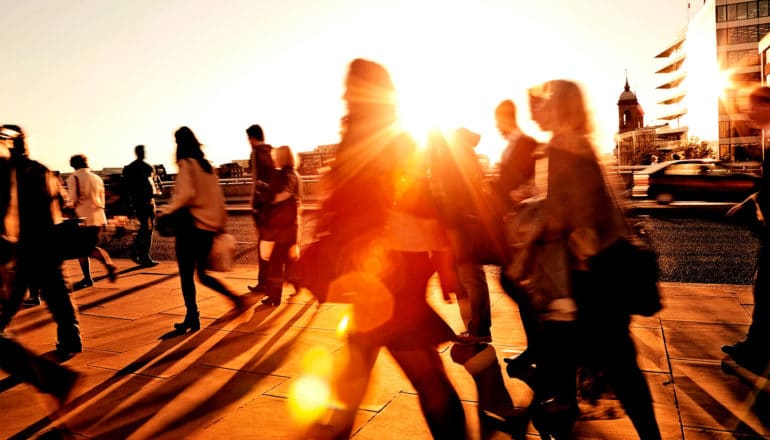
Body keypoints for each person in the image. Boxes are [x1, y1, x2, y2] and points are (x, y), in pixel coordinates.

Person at [303, 59, 466, 439]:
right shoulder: (385, 136)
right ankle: (337, 429)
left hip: (389, 269)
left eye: (352, 87)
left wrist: (443, 261)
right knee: (363, 353)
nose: (345, 94)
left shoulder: (384, 139)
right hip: (380, 267)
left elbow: (416, 200)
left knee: (422, 371)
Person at [523, 80, 662, 439]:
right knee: (609, 361)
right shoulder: (580, 144)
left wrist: (532, 245)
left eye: (546, 104)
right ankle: (560, 405)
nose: (539, 110)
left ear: (560, 107)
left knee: (613, 363)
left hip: (593, 272)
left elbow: (565, 214)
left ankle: (557, 407)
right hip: (603, 266)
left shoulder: (563, 147)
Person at [0, 124, 82, 359]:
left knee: (12, 296)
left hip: (19, 244)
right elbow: (62, 206)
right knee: (58, 294)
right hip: (47, 242)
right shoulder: (42, 170)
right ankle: (71, 338)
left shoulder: (6, 171)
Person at [157, 126, 246, 332]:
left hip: (191, 227)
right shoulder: (207, 167)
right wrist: (220, 223)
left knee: (187, 276)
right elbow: (218, 199)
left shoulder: (186, 164)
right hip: (208, 228)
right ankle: (235, 299)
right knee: (203, 274)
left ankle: (193, 317)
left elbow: (185, 195)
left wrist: (166, 210)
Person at [492, 99, 541, 379]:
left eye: (498, 121)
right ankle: (536, 348)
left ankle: (540, 348)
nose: (496, 127)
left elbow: (521, 183)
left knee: (515, 283)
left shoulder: (525, 143)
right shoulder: (515, 144)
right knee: (517, 285)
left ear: (505, 118)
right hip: (515, 227)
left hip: (525, 228)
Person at [723, 85, 770, 376]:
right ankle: (754, 348)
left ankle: (755, 352)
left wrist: (752, 202)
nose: (747, 112)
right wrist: (748, 201)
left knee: (764, 289)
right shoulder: (766, 135)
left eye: (753, 106)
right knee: (763, 289)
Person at [66, 154, 118, 290]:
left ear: (73, 165)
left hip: (82, 219)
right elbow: (102, 199)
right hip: (99, 217)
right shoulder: (97, 178)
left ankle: (107, 264)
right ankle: (88, 278)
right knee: (84, 248)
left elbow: (72, 200)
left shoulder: (74, 178)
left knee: (84, 248)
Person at [259, 145, 301, 306]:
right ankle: (300, 283)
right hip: (292, 224)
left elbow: (273, 197)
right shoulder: (295, 175)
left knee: (276, 261)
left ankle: (274, 297)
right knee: (288, 259)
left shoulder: (280, 174)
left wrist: (263, 189)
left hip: (281, 226)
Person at [245, 124, 274, 293]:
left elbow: (257, 181)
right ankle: (281, 278)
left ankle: (263, 282)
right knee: (273, 244)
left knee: (263, 245)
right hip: (274, 205)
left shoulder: (256, 153)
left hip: (262, 206)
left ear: (252, 138)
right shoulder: (272, 151)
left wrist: (255, 206)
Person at [122, 144, 160, 267]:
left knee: (145, 228)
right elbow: (152, 186)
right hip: (147, 202)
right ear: (141, 153)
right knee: (148, 229)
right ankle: (144, 255)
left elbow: (127, 188)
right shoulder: (147, 167)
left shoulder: (130, 168)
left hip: (138, 203)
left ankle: (137, 251)